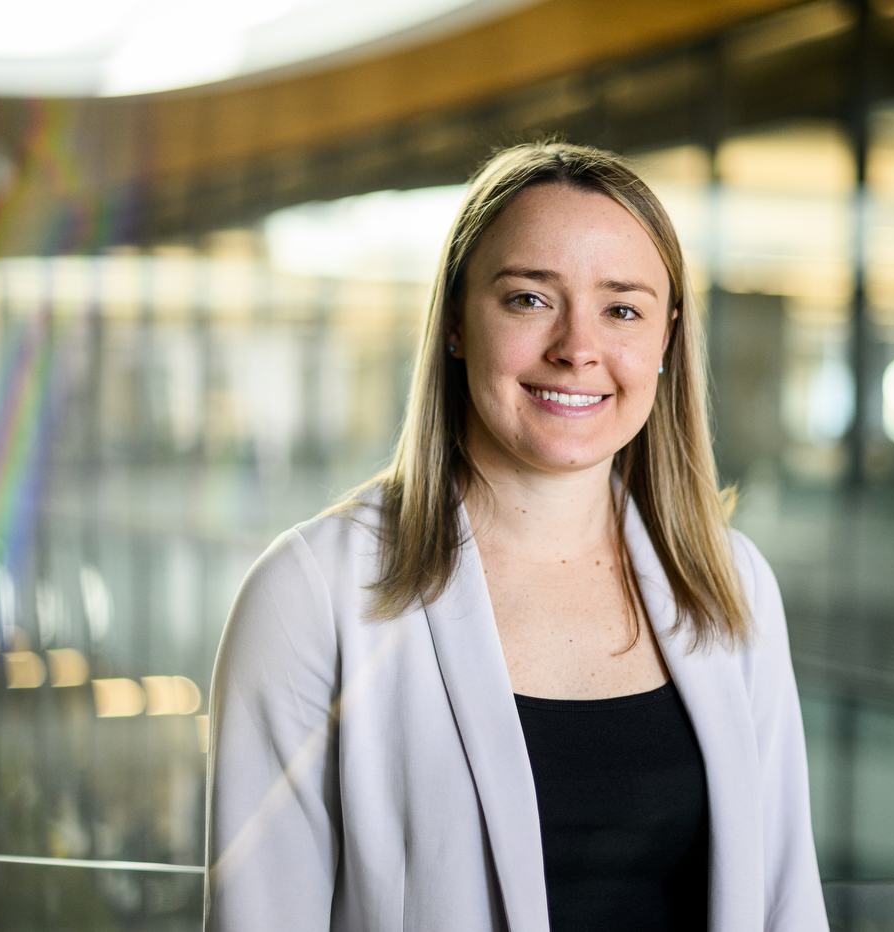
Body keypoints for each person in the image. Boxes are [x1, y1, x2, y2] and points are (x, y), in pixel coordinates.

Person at [203, 141, 827, 932]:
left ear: (666, 340)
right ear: (458, 321)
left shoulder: (730, 582)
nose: (576, 347)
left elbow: (785, 903)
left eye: (622, 308)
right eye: (530, 299)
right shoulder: (309, 595)